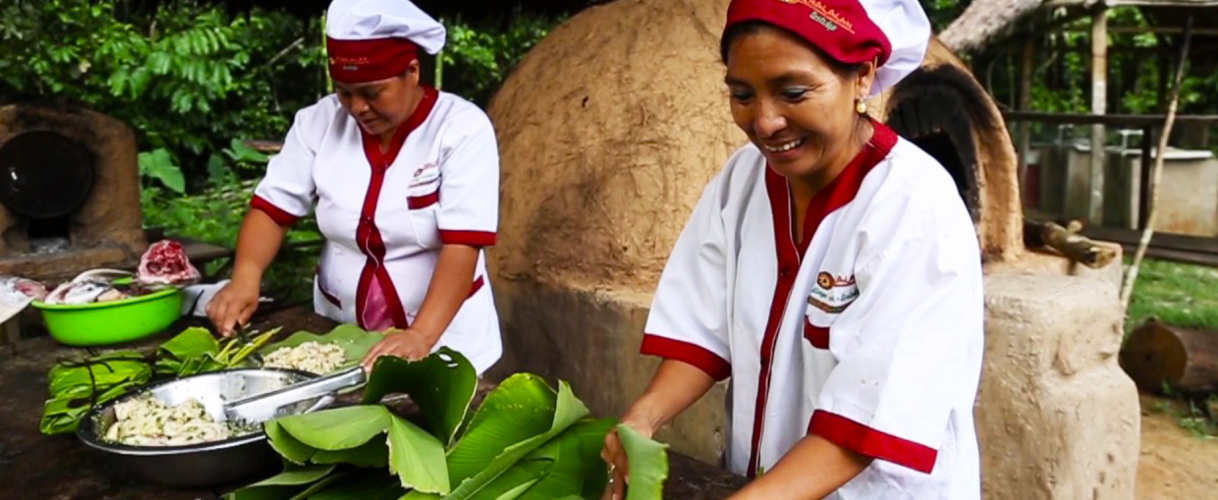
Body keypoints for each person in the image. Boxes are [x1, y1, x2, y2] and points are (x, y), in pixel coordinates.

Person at [600, 0, 985, 498]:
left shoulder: (913, 208)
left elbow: (866, 422)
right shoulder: (742, 181)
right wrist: (643, 417)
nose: (764, 122)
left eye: (793, 92)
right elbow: (700, 330)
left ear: (863, 77)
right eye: (742, 94)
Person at [206, 0, 503, 375]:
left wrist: (421, 335)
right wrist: (244, 279)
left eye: (372, 92)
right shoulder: (317, 123)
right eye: (345, 92)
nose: (357, 107)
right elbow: (271, 209)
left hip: (445, 341)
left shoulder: (461, 129)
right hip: (340, 334)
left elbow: (463, 245)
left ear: (411, 72)